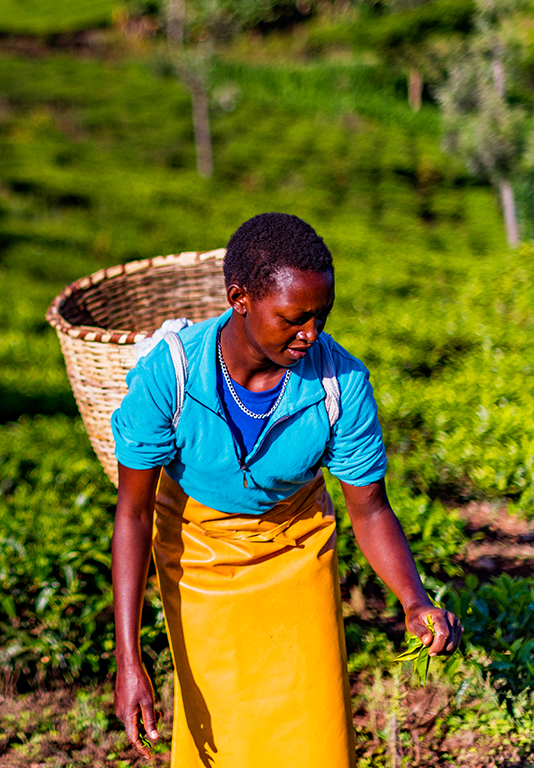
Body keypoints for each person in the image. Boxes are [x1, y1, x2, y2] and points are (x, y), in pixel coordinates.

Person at [110, 213, 463, 767]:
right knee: (221, 732)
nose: (311, 335)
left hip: (297, 553)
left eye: (322, 316)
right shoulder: (171, 376)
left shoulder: (338, 384)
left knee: (312, 730)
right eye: (294, 319)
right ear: (240, 299)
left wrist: (413, 599)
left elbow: (370, 511)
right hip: (198, 559)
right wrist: (127, 659)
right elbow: (132, 514)